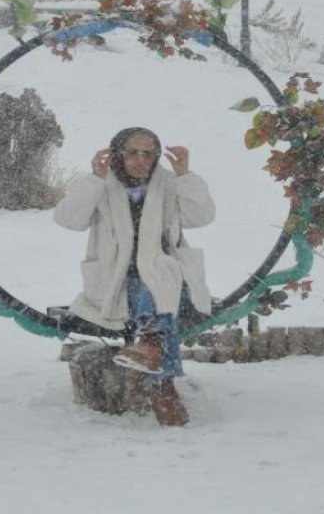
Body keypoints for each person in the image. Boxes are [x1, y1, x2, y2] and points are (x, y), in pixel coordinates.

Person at [54, 127, 215, 427]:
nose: (141, 160)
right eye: (133, 152)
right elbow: (69, 219)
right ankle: (161, 381)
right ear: (118, 154)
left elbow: (202, 216)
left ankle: (152, 348)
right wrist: (94, 180)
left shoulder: (168, 183)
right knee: (149, 286)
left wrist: (184, 176)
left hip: (167, 271)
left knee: (156, 278)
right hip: (116, 277)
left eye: (148, 153)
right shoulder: (102, 184)